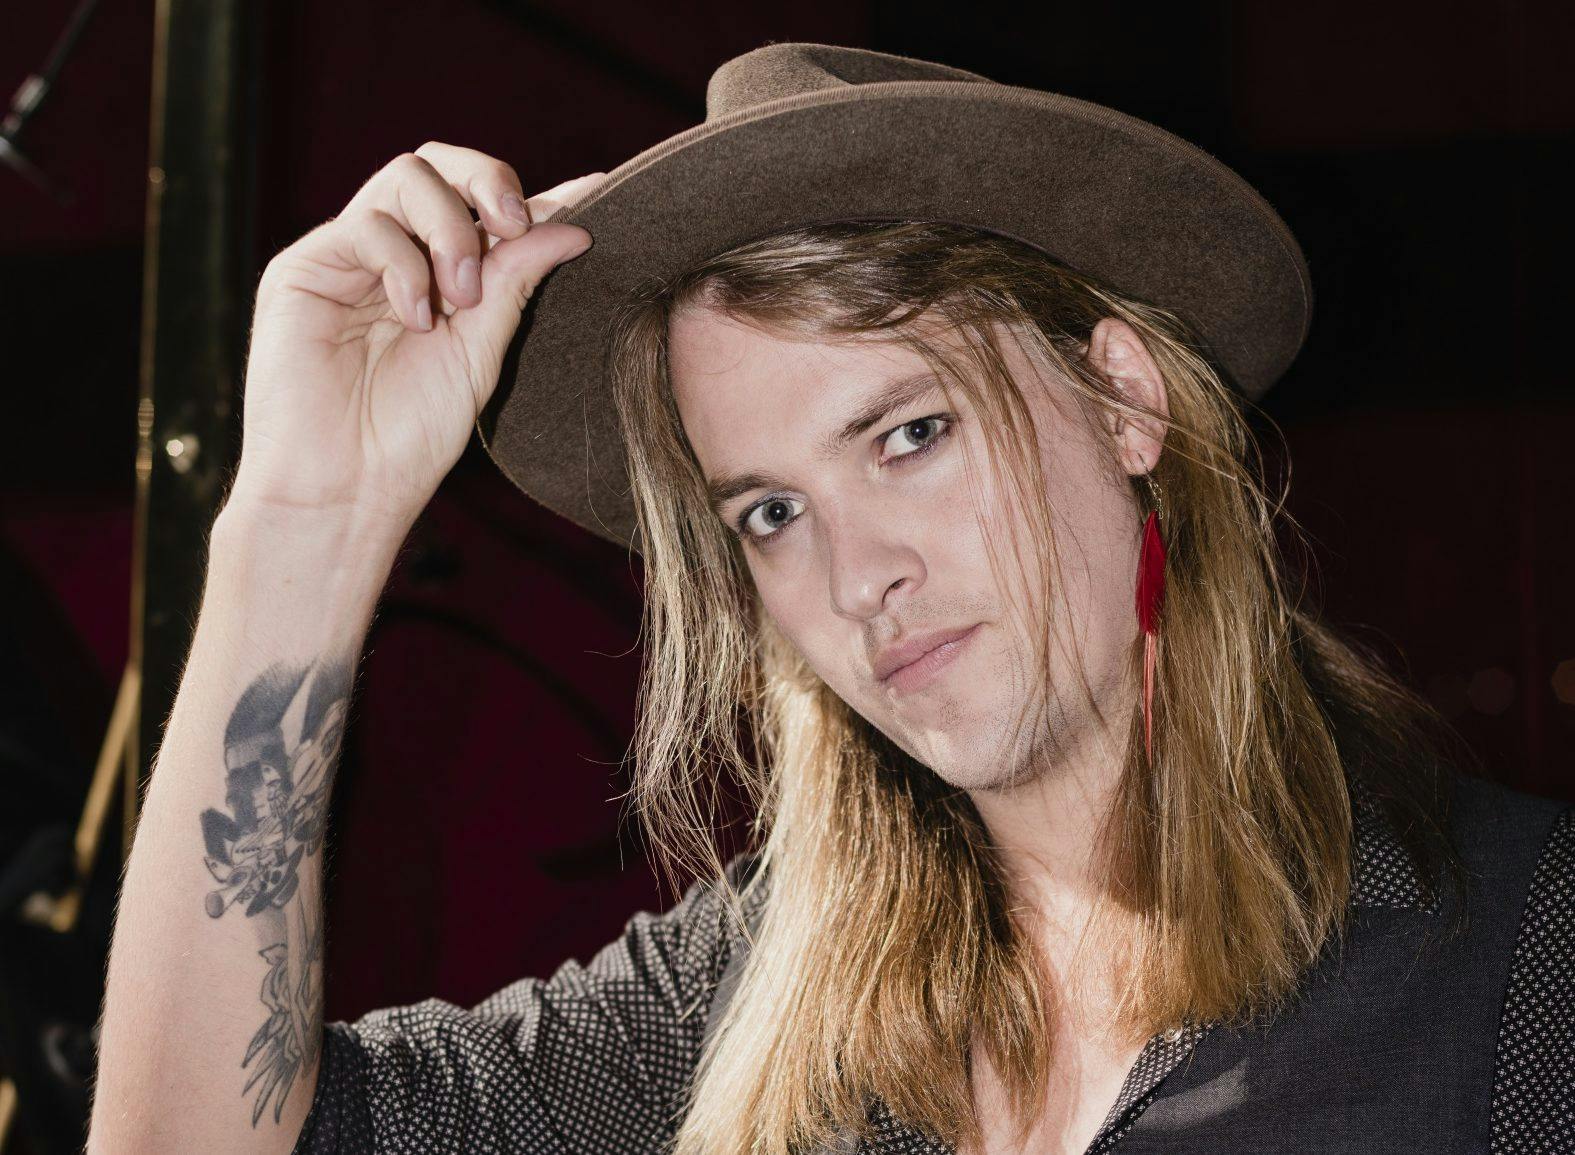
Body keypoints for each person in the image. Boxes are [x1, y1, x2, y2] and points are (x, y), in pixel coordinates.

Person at [88, 43, 1572, 1155]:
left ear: (1126, 401)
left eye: (909, 436)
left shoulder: (1521, 965)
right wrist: (305, 521)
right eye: (772, 513)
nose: (861, 580)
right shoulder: (746, 999)